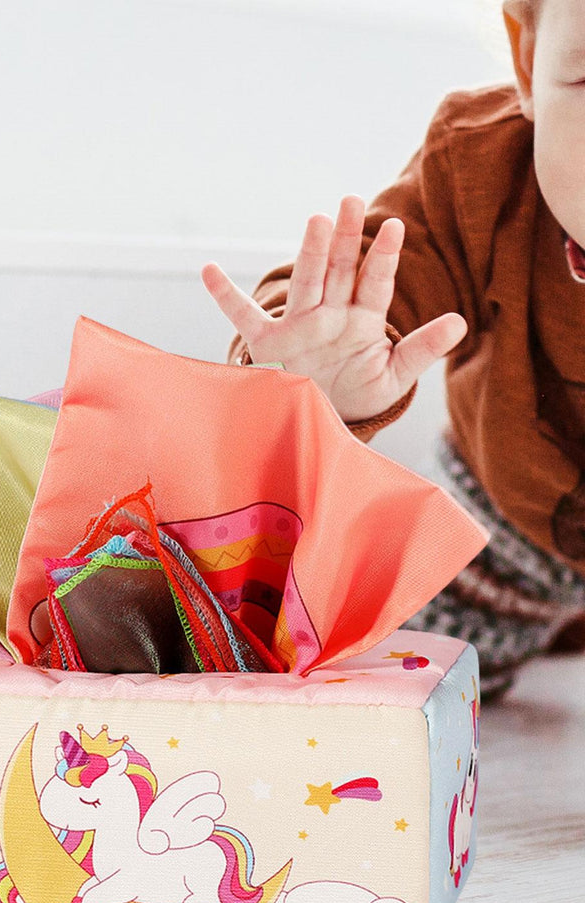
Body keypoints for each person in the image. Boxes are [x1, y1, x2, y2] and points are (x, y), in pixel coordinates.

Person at [201, 0, 585, 697]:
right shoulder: (477, 171)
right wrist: (315, 373)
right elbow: (373, 286)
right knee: (389, 670)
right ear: (529, 62)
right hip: (502, 518)